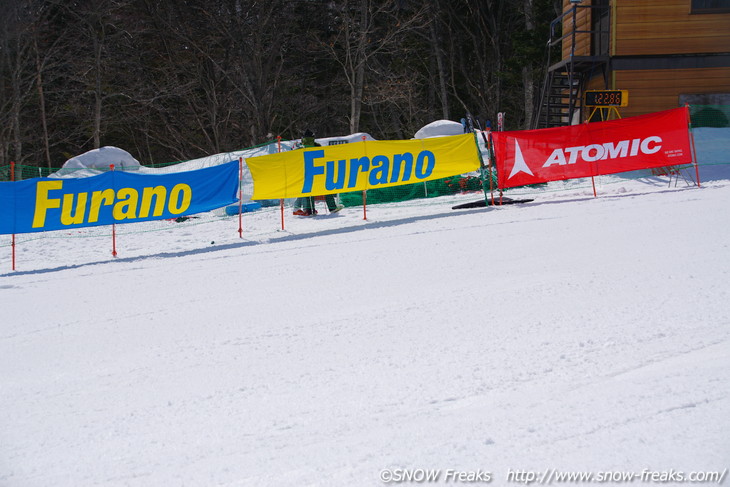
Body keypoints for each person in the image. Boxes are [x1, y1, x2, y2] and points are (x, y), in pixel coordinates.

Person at [292, 129, 344, 215]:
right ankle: (332, 207)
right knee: (326, 188)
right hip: (318, 171)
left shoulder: (300, 148)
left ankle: (308, 210)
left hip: (304, 172)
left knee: (307, 191)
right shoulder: (317, 146)